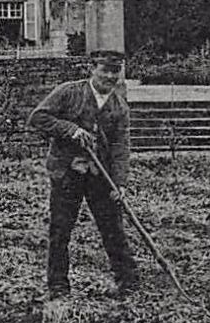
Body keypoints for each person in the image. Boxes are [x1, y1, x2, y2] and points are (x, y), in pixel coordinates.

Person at [27, 49, 141, 300]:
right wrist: (70, 130)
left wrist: (120, 183)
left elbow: (121, 147)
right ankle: (58, 286)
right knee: (61, 231)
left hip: (100, 176)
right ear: (93, 69)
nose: (110, 76)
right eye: (105, 69)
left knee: (113, 229)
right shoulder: (70, 92)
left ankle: (128, 282)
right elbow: (38, 118)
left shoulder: (119, 106)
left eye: (115, 71)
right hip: (67, 172)